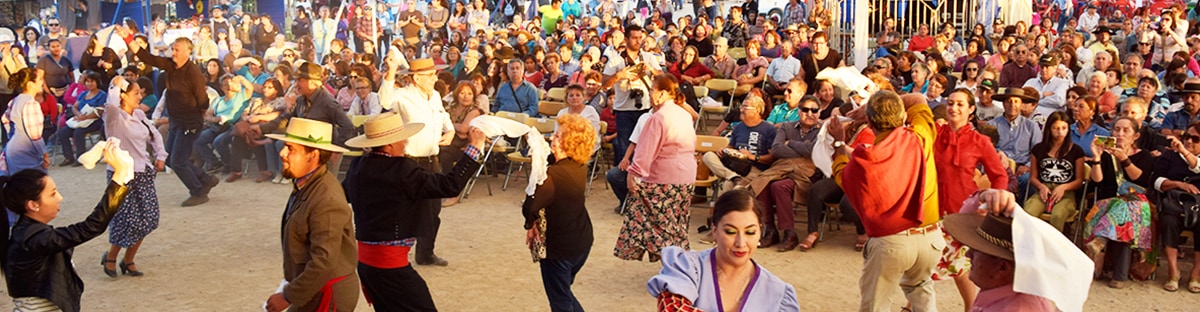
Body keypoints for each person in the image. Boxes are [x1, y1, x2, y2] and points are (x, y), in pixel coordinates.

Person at [342, 112, 484, 310]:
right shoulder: (402, 170)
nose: (406, 141)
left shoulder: (358, 166)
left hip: (366, 264)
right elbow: (450, 186)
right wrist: (475, 147)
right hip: (390, 266)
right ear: (390, 144)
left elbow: (342, 195)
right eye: (401, 138)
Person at [828, 91, 942, 312]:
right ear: (902, 117)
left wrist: (839, 143)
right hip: (930, 237)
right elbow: (918, 98)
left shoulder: (865, 158)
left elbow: (843, 176)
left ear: (869, 122)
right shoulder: (920, 135)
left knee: (876, 305)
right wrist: (869, 107)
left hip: (892, 242)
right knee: (922, 291)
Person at [1, 144, 132, 312]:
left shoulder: (29, 233)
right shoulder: (34, 239)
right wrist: (120, 176)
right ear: (33, 205)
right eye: (52, 193)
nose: (60, 198)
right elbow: (91, 227)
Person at [263, 118, 359, 312]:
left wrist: (288, 296)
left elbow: (323, 262)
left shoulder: (325, 199)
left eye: (290, 148)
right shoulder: (307, 185)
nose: (282, 153)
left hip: (327, 295)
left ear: (312, 155)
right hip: (315, 290)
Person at [646, 189, 800, 311]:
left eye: (750, 232)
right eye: (730, 232)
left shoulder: (777, 293)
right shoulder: (689, 268)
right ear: (714, 230)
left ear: (760, 231)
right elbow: (672, 309)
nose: (741, 243)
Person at [933, 88, 1008, 310]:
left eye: (960, 104)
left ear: (971, 110)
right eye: (950, 103)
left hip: (965, 212)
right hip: (933, 208)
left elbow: (999, 175)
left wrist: (992, 204)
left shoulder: (980, 141)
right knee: (934, 261)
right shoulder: (935, 133)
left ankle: (968, 307)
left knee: (957, 265)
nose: (953, 108)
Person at [378, 56, 456, 266]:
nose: (434, 77)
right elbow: (384, 101)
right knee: (404, 209)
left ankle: (425, 253)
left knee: (433, 210)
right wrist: (391, 71)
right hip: (410, 161)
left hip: (432, 159)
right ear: (416, 79)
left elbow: (443, 115)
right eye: (430, 75)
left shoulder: (436, 95)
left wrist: (450, 130)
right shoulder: (402, 95)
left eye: (434, 73)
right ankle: (395, 254)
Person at [614, 74, 696, 262]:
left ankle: (676, 265)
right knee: (677, 223)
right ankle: (681, 263)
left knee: (656, 223)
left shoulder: (658, 118)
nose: (649, 93)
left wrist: (632, 175)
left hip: (664, 178)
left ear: (663, 94)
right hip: (686, 175)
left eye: (652, 90)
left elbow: (645, 151)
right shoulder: (684, 114)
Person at [522, 114, 597, 311]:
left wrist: (530, 224)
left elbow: (529, 206)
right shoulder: (577, 165)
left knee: (560, 301)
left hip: (559, 250)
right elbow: (551, 163)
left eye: (556, 136)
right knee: (563, 292)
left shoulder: (553, 177)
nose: (551, 139)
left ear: (567, 142)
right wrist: (539, 157)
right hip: (581, 242)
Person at [941, 192, 1059, 312]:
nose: (968, 254)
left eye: (977, 250)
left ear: (1002, 267)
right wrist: (984, 196)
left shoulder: (1013, 307)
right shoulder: (1005, 294)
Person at [132, 37, 215, 207]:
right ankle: (205, 179)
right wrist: (128, 38)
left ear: (188, 52)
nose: (173, 53)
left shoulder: (193, 73)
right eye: (173, 49)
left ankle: (198, 191)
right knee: (169, 157)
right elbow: (147, 58)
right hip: (176, 121)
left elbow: (203, 100)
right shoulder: (170, 65)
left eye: (177, 50)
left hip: (190, 122)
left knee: (178, 161)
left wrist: (196, 117)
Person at [99, 75, 166, 278]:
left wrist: (161, 156)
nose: (140, 95)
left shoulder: (139, 114)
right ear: (123, 96)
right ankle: (112, 257)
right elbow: (110, 106)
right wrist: (115, 85)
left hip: (143, 171)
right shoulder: (114, 116)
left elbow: (155, 134)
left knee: (149, 218)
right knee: (125, 219)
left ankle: (128, 259)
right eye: (135, 93)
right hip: (121, 174)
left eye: (140, 92)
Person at [252, 62, 355, 174]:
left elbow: (348, 126)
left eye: (300, 80)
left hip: (325, 155)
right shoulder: (301, 100)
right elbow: (286, 119)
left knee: (322, 187)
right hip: (306, 154)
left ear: (312, 82)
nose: (296, 84)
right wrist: (262, 128)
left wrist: (336, 152)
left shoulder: (328, 102)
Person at [603, 25, 660, 164]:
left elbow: (663, 78)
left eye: (640, 38)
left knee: (646, 147)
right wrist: (619, 75)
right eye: (634, 38)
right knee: (625, 149)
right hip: (624, 110)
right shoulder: (616, 60)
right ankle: (624, 181)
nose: (638, 41)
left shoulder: (649, 57)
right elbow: (604, 84)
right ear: (626, 39)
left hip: (645, 108)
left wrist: (651, 69)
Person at [1023, 112, 1086, 232]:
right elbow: (1033, 177)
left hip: (1066, 194)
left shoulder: (1076, 151)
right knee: (1029, 212)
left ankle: (1051, 247)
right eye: (1056, 128)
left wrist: (1064, 187)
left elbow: (1079, 180)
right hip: (1043, 191)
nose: (1060, 132)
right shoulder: (1038, 149)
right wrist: (1041, 186)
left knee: (1058, 215)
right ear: (1049, 129)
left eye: (1064, 128)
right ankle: (1028, 243)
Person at [1, 68, 49, 176]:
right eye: (40, 79)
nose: (42, 82)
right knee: (40, 186)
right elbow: (34, 135)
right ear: (31, 84)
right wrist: (44, 153)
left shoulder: (15, 100)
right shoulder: (31, 103)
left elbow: (5, 119)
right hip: (26, 151)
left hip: (13, 148)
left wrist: (13, 134)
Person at [56, 71, 106, 167]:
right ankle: (69, 157)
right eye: (87, 81)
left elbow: (100, 111)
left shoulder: (102, 95)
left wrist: (86, 117)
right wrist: (79, 115)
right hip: (81, 119)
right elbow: (74, 107)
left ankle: (80, 157)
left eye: (92, 81)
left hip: (95, 121)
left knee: (78, 132)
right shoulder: (83, 94)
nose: (89, 84)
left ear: (97, 82)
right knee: (63, 132)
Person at [1023, 54, 1071, 118]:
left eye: (1047, 67)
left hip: (1052, 120)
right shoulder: (1031, 82)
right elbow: (1022, 97)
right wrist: (1042, 94)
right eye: (1042, 67)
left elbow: (1059, 101)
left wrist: (1034, 101)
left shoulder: (1062, 83)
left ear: (1055, 68)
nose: (1044, 70)